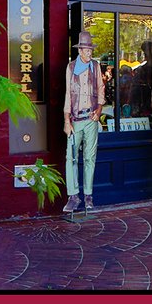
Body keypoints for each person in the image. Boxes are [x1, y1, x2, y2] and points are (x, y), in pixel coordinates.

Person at [63, 35, 105, 212]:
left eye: (90, 50)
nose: (89, 52)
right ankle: (73, 196)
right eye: (86, 50)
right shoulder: (71, 67)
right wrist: (66, 120)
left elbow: (101, 88)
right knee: (71, 157)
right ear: (79, 51)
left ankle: (88, 196)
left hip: (91, 119)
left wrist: (99, 110)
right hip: (75, 119)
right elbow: (67, 93)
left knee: (90, 158)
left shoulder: (95, 66)